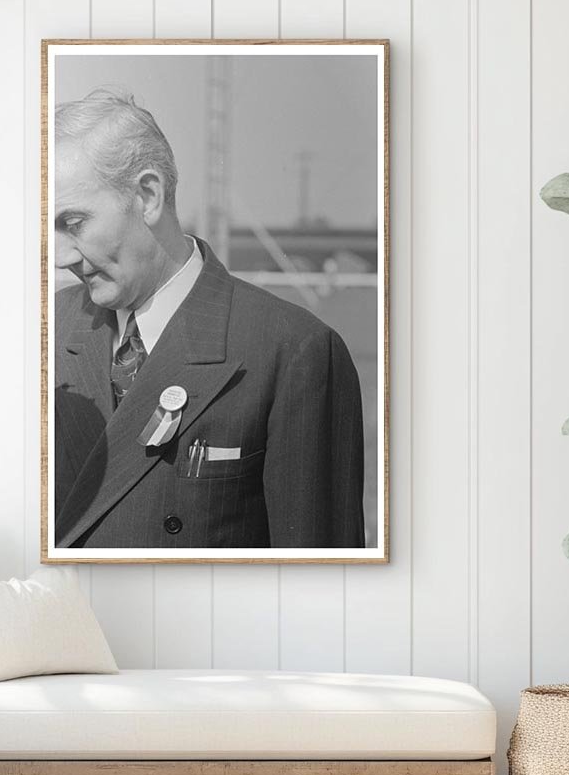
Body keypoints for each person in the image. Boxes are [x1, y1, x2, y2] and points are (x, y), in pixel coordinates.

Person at [52, 88, 365, 549]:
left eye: (74, 224)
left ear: (148, 196)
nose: (60, 256)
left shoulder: (293, 351)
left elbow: (318, 589)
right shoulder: (46, 330)